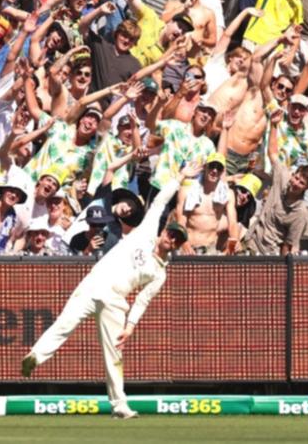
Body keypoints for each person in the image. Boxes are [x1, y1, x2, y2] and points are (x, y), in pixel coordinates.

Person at [21, 162, 200, 419]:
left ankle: (119, 406)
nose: (170, 239)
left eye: (176, 240)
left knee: (113, 355)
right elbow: (160, 202)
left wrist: (131, 326)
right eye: (171, 234)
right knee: (64, 324)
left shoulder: (160, 272)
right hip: (94, 283)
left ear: (177, 245)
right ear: (165, 231)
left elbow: (142, 300)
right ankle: (34, 357)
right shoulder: (148, 231)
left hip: (115, 301)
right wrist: (181, 176)